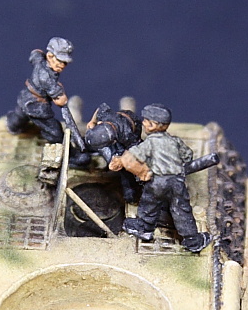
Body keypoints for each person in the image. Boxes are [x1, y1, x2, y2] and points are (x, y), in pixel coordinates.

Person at [109, 103, 212, 253]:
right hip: (177, 181)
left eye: (145, 121)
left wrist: (120, 161)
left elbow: (133, 155)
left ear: (153, 125)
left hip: (157, 182)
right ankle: (193, 240)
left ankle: (145, 229)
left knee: (149, 204)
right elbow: (188, 155)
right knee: (181, 209)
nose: (143, 123)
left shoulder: (150, 143)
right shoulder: (175, 141)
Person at [6, 37, 74, 144]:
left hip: (25, 96)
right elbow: (60, 100)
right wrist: (62, 94)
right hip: (37, 106)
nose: (62, 65)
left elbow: (36, 54)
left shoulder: (40, 61)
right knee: (55, 131)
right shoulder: (46, 77)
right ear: (50, 56)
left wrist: (38, 53)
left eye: (65, 63)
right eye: (60, 61)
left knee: (19, 117)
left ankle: (13, 126)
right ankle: (59, 147)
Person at [85, 102, 143, 202]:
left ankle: (130, 190)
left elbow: (134, 152)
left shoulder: (128, 136)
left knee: (125, 169)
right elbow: (100, 108)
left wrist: (121, 160)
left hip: (133, 125)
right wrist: (92, 122)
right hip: (117, 118)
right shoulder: (105, 116)